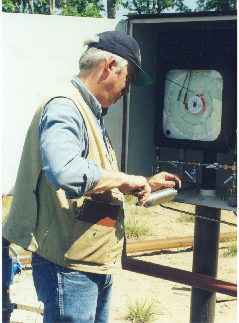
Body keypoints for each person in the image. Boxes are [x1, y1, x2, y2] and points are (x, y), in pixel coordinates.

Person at [3, 31, 181, 322]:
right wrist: (126, 180)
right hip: (70, 265)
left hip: (89, 259)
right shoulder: (65, 105)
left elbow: (96, 175)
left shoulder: (89, 109)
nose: (127, 91)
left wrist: (144, 184)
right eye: (129, 79)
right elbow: (65, 172)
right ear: (109, 66)